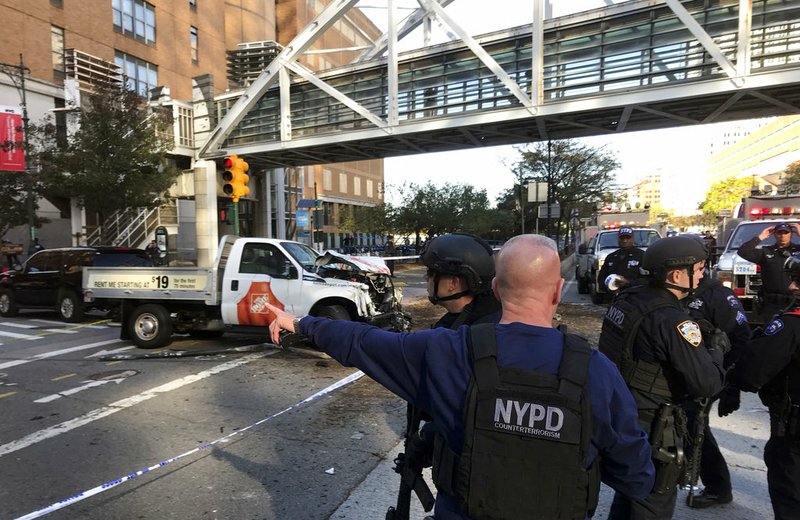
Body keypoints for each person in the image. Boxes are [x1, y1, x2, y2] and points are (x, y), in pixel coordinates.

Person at [266, 234, 655, 520]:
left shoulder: (449, 351)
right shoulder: (597, 370)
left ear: (498, 289)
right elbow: (636, 478)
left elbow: (365, 342)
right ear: (557, 291)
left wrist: (301, 322)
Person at [598, 235, 726, 520]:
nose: (703, 274)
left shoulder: (628, 298)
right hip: (654, 423)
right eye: (700, 268)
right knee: (654, 501)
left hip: (622, 411)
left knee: (631, 492)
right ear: (677, 273)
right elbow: (707, 383)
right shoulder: (673, 321)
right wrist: (715, 352)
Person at [682, 274, 751, 508]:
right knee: (683, 423)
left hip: (710, 372)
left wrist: (732, 385)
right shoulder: (677, 289)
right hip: (685, 369)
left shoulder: (718, 295)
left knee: (693, 423)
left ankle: (718, 487)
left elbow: (741, 338)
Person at [736, 288, 800, 520]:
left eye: (798, 281)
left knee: (789, 491)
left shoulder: (790, 326)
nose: (792, 287)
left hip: (793, 434)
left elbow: (751, 375)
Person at [419, 233, 501, 329]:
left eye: (431, 273)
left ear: (453, 283)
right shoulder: (489, 314)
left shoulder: (467, 336)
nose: (425, 277)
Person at [737, 222, 800, 323]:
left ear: (791, 234)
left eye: (786, 233)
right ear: (774, 235)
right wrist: (760, 237)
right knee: (770, 334)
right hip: (771, 305)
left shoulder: (798, 251)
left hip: (794, 302)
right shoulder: (766, 251)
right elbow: (743, 251)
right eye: (779, 233)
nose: (782, 236)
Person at [598, 226, 644, 293]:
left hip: (635, 297)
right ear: (618, 239)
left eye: (628, 238)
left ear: (633, 239)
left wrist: (627, 283)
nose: (625, 241)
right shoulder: (611, 257)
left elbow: (646, 281)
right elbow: (601, 278)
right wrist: (608, 287)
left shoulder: (641, 256)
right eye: (622, 238)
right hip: (614, 298)